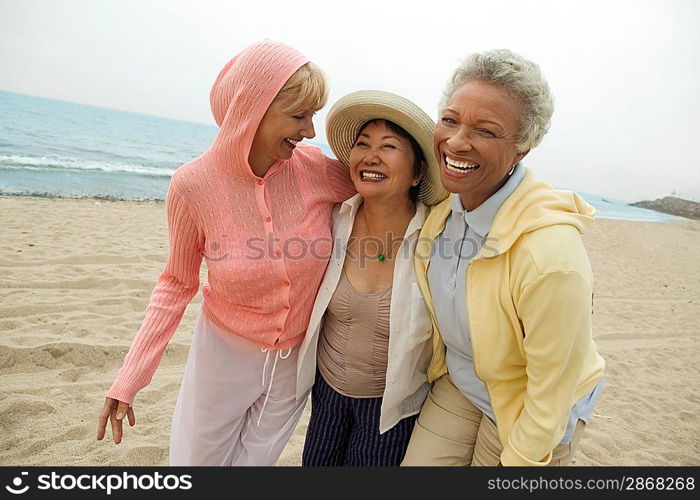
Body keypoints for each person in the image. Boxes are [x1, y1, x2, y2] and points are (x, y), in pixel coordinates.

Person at [95, 39, 356, 466]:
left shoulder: (314, 169)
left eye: (313, 116)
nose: (310, 131)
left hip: (295, 363)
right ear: (252, 109)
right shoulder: (192, 186)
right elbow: (176, 286)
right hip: (223, 355)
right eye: (298, 115)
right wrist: (130, 378)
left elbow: (390, 188)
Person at [400, 49, 605, 467]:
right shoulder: (442, 210)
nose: (457, 141)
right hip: (462, 382)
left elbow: (552, 389)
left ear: (522, 149)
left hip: (533, 402)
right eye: (450, 120)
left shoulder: (550, 253)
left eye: (487, 131)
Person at [295, 90, 449, 466]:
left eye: (388, 146)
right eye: (362, 144)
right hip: (326, 396)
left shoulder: (440, 236)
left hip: (393, 410)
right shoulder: (332, 220)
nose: (370, 156)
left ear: (417, 172)